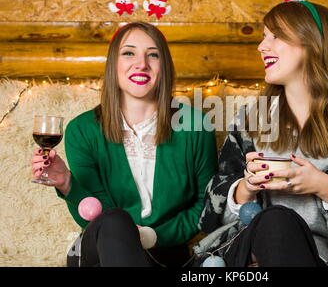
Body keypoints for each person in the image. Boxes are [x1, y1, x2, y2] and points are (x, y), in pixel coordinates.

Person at [194, 1, 328, 267]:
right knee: (275, 220)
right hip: (248, 253)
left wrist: (325, 187)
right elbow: (214, 216)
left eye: (275, 36)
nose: (261, 46)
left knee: (279, 222)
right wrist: (245, 190)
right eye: (263, 37)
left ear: (311, 41)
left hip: (321, 258)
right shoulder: (250, 120)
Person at [31, 22, 218, 267]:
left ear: (165, 67)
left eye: (153, 54)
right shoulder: (83, 129)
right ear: (113, 65)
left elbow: (205, 204)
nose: (141, 63)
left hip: (165, 252)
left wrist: (153, 236)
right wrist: (67, 184)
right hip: (101, 249)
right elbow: (96, 217)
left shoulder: (195, 126)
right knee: (114, 221)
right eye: (129, 52)